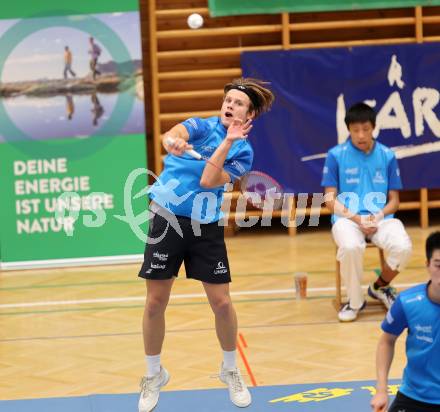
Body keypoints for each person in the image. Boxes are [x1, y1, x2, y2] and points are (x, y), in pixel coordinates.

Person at [137, 78, 274, 412]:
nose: (230, 105)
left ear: (250, 113)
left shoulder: (242, 151)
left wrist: (226, 142)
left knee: (222, 303)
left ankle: (229, 369)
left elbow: (208, 180)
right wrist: (173, 142)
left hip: (205, 226)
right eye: (228, 100)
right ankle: (153, 375)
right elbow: (174, 134)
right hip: (166, 217)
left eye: (238, 103)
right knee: (155, 303)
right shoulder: (201, 125)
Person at [322, 102, 412, 322]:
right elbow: (329, 200)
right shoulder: (335, 155)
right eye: (355, 130)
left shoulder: (387, 155)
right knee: (351, 247)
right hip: (348, 218)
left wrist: (377, 216)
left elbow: (394, 201)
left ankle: (379, 287)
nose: (361, 135)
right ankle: (355, 302)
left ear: (374, 128)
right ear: (348, 130)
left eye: (365, 129)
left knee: (404, 247)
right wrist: (357, 218)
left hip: (381, 218)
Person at [371, 231, 440, 412]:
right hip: (415, 396)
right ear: (427, 265)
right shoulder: (408, 302)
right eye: (438, 265)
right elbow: (387, 341)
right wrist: (381, 390)